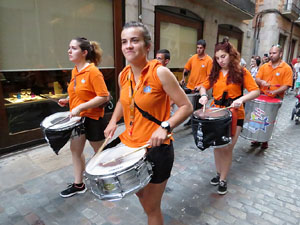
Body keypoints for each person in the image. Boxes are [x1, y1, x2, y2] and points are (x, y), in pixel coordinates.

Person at [104, 21, 193, 225]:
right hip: (130, 148)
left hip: (156, 149)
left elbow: (186, 107)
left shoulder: (160, 73)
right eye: (124, 42)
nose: (128, 46)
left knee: (151, 207)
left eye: (134, 41)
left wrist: (165, 127)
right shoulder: (123, 75)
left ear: (147, 46)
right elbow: (123, 101)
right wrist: (113, 121)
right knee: (142, 198)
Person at [198, 41, 260, 195]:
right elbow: (203, 86)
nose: (220, 60)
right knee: (217, 145)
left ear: (231, 55)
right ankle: (219, 173)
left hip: (234, 114)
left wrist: (242, 99)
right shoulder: (215, 72)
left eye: (223, 56)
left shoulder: (241, 72)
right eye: (218, 58)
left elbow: (255, 91)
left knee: (227, 147)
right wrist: (204, 95)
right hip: (217, 113)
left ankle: (223, 179)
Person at [58, 37, 110, 198]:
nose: (69, 51)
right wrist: (68, 100)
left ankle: (107, 181)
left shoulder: (93, 72)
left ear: (84, 52)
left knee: (100, 153)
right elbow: (80, 92)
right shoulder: (75, 70)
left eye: (73, 48)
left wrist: (80, 107)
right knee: (75, 150)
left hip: (93, 119)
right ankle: (78, 184)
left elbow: (104, 96)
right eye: (69, 47)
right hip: (77, 120)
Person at [253, 44, 293, 149]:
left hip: (276, 98)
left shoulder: (286, 68)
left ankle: (265, 139)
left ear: (280, 54)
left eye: (274, 53)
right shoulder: (264, 66)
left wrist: (275, 92)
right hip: (262, 96)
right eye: (270, 53)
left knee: (270, 119)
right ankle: (257, 138)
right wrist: (261, 81)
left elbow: (287, 85)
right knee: (259, 117)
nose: (271, 55)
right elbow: (257, 78)